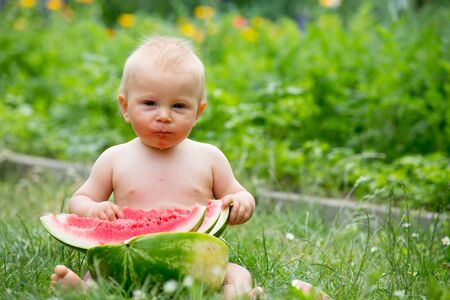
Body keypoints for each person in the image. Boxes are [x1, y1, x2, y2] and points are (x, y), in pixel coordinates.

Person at [49, 35, 262, 299]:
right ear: (125, 107)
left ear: (198, 112)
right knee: (97, 273)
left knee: (238, 274)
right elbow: (79, 200)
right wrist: (94, 208)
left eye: (179, 106)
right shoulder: (114, 158)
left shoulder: (210, 158)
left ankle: (237, 296)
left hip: (198, 263)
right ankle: (84, 291)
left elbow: (241, 193)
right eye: (150, 103)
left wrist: (242, 203)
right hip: (128, 259)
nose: (164, 115)